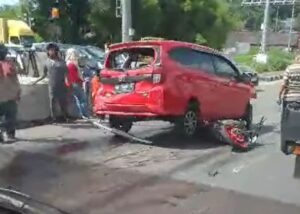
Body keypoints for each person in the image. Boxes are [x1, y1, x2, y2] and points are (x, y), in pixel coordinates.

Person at [33, 43, 70, 122]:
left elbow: (66, 73)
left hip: (62, 85)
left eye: (52, 50)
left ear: (56, 51)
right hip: (52, 85)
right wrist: (36, 81)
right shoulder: (47, 62)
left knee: (63, 102)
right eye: (49, 50)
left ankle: (65, 117)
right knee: (52, 102)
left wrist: (68, 82)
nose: (51, 52)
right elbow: (43, 75)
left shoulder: (62, 62)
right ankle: (54, 118)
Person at [0, 44, 21, 142]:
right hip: (8, 96)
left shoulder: (9, 63)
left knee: (11, 117)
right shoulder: (9, 63)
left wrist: (18, 92)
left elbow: (15, 79)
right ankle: (8, 135)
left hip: (9, 96)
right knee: (10, 117)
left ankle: (9, 135)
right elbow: (15, 80)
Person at [65, 48, 89, 118]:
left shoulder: (66, 63)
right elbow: (77, 76)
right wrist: (82, 80)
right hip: (76, 83)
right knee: (82, 99)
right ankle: (84, 114)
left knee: (75, 100)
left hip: (69, 84)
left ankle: (78, 114)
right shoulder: (73, 64)